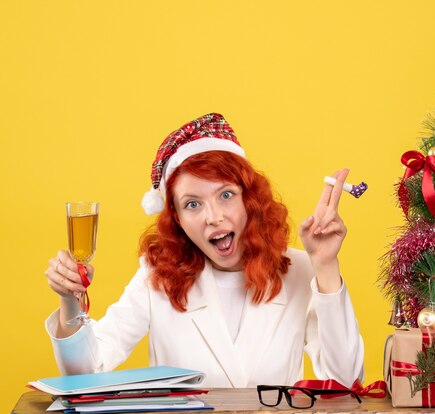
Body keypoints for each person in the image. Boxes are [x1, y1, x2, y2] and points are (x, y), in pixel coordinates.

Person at [44, 113, 364, 388]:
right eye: (193, 204)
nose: (214, 217)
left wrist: (325, 265)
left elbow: (347, 382)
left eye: (226, 195)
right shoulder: (156, 275)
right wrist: (69, 302)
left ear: (249, 200)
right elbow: (84, 373)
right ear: (178, 220)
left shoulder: (300, 271)